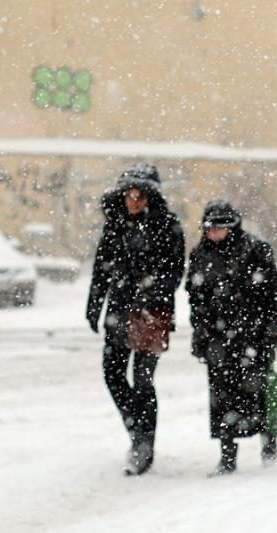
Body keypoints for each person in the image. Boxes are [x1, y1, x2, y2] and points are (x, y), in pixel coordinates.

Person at [85, 163, 185, 476]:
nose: (134, 200)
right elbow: (102, 269)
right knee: (112, 374)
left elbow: (174, 272)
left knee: (143, 380)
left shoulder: (167, 226)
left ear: (151, 197)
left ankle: (144, 445)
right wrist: (94, 304)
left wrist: (150, 296)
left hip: (151, 315)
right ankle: (137, 431)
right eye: (130, 194)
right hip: (118, 311)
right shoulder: (114, 225)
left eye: (141, 195)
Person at [186, 199, 277, 477]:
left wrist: (271, 329)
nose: (212, 234)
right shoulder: (200, 255)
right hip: (218, 338)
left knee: (258, 394)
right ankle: (227, 457)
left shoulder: (256, 250)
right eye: (208, 229)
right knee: (221, 398)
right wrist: (201, 334)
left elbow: (272, 296)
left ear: (231, 227)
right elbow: (196, 299)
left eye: (217, 229)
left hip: (253, 337)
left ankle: (269, 447)